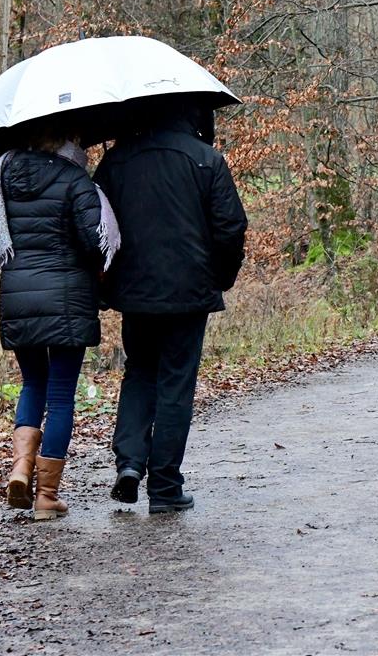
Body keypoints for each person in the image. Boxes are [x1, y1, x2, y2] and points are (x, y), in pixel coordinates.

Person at [0, 126, 119, 521]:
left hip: (18, 298)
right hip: (66, 299)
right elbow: (94, 239)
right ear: (68, 139)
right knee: (61, 396)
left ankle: (20, 469)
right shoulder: (74, 178)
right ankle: (47, 496)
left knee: (33, 384)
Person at [95, 97, 247, 513]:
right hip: (189, 291)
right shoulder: (206, 160)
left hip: (136, 292)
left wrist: (107, 283)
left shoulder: (116, 162)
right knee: (176, 384)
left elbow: (96, 227)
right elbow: (231, 226)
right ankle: (164, 486)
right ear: (192, 114)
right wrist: (220, 276)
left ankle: (129, 463)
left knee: (140, 372)